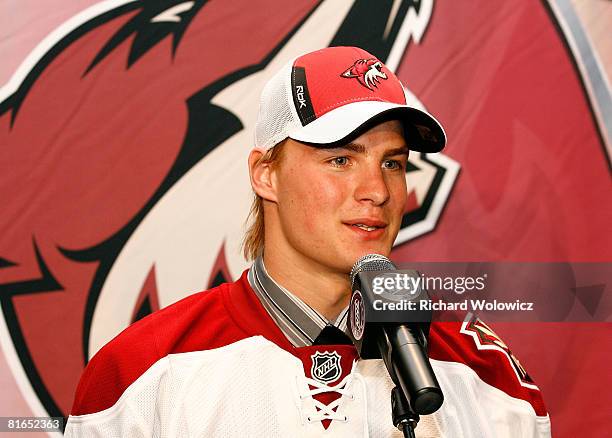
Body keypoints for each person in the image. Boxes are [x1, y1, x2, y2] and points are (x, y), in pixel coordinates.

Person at [65, 46, 551, 437]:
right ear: (265, 175)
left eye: (393, 163)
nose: (377, 192)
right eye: (341, 160)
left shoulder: (487, 375)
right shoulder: (141, 374)